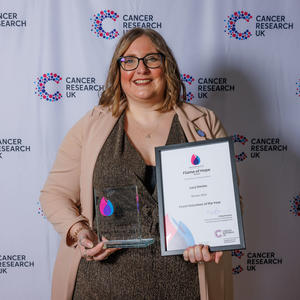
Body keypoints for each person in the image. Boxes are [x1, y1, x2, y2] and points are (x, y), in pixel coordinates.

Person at [40, 28, 233, 300]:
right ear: (118, 71)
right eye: (129, 61)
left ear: (167, 66)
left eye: (151, 59)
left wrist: (211, 238)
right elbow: (55, 193)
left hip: (185, 286)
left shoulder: (204, 122)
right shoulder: (92, 125)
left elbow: (228, 201)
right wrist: (79, 230)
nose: (140, 69)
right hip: (101, 287)